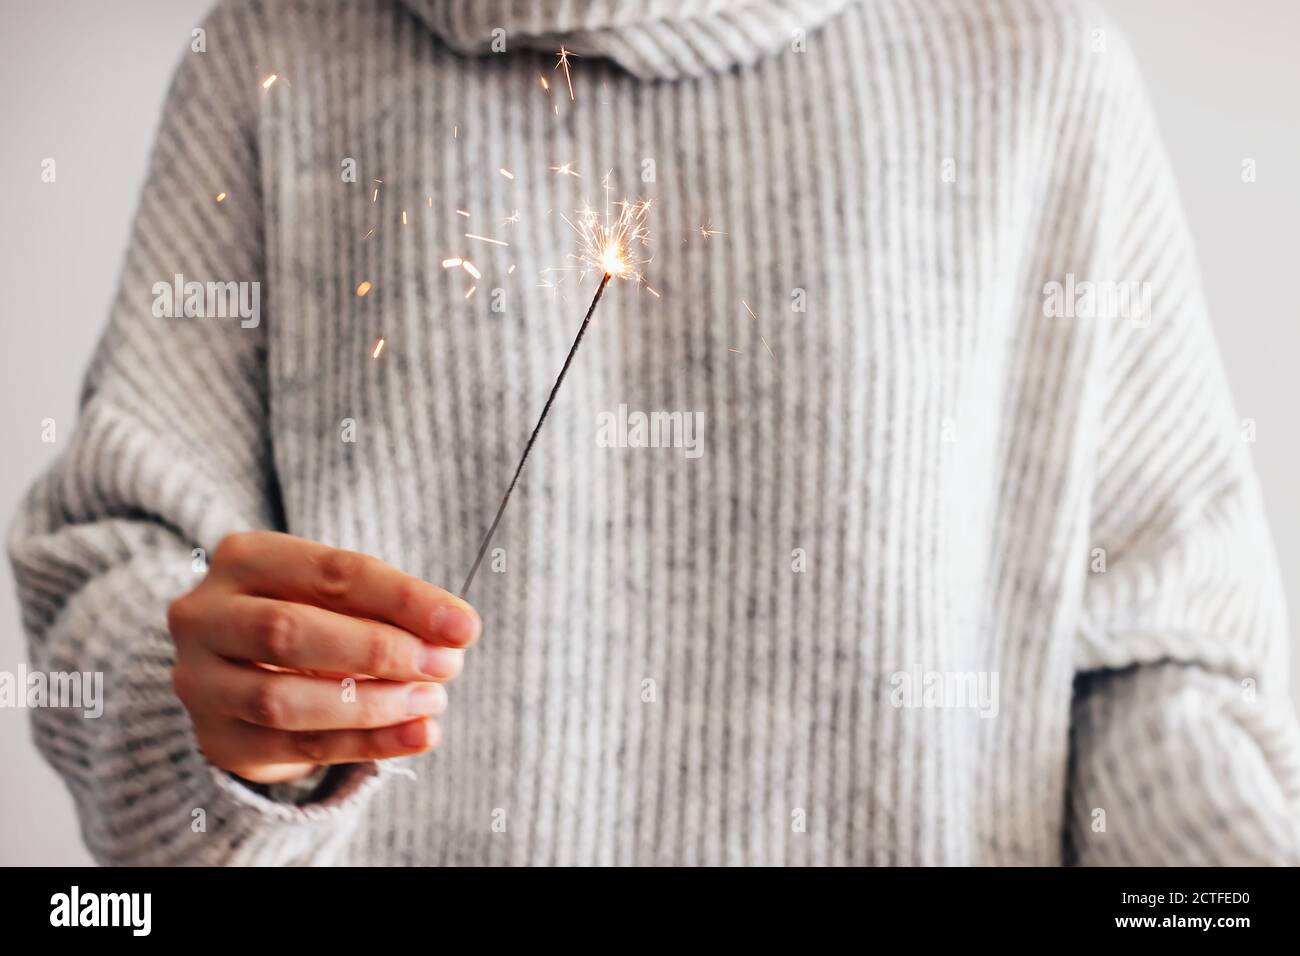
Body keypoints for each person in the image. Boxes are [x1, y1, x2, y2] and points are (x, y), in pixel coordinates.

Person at [10, 0, 1300, 865]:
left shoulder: (1030, 57)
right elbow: (112, 586)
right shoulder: (277, 45)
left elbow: (1159, 662)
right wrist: (225, 728)